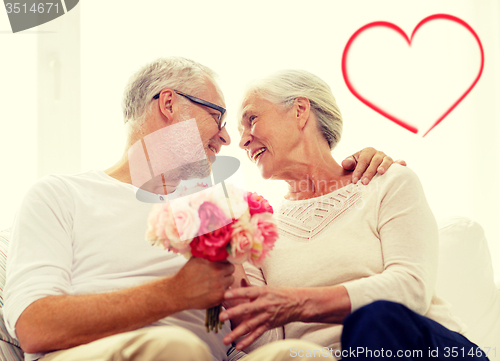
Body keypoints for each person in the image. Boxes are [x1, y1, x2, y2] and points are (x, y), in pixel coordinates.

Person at [3, 57, 396, 361]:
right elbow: (33, 326)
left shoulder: (217, 206)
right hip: (107, 353)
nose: (227, 138)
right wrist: (175, 293)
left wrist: (364, 169)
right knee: (173, 347)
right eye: (217, 116)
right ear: (169, 103)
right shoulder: (60, 195)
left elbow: (245, 335)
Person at [220, 69, 488, 361]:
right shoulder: (258, 230)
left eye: (252, 119)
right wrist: (229, 252)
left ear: (299, 111)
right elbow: (265, 346)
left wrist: (298, 303)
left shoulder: (388, 181)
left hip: (427, 351)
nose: (243, 141)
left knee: (373, 318)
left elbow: (412, 287)